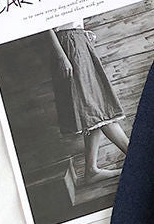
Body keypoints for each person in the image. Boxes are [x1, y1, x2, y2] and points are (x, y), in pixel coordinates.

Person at [49, 16, 129, 183]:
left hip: (79, 40)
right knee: (96, 109)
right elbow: (44, 27)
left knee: (94, 109)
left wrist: (83, 34)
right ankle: (139, 159)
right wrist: (61, 55)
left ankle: (91, 170)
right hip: (67, 45)